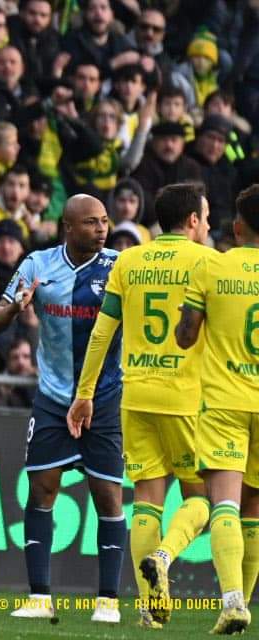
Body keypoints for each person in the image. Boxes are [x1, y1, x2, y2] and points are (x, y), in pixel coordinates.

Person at [68, 183, 213, 629]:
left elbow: (101, 333)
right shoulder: (208, 262)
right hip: (187, 398)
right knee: (203, 498)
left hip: (136, 396)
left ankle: (152, 609)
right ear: (191, 221)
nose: (208, 226)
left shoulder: (128, 261)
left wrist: (85, 393)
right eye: (205, 218)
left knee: (147, 500)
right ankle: (166, 556)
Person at [0, 194, 124, 623]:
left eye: (104, 221)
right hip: (52, 396)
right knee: (42, 490)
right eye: (91, 223)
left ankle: (108, 601)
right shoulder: (37, 265)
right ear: (68, 227)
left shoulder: (119, 267)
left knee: (107, 496)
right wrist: (15, 307)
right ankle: (40, 597)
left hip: (103, 397)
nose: (101, 229)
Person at [174, 184, 259, 634]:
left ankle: (232, 603)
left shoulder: (213, 268)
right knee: (255, 510)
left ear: (237, 227)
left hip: (225, 401)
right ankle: (243, 601)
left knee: (223, 503)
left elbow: (186, 336)